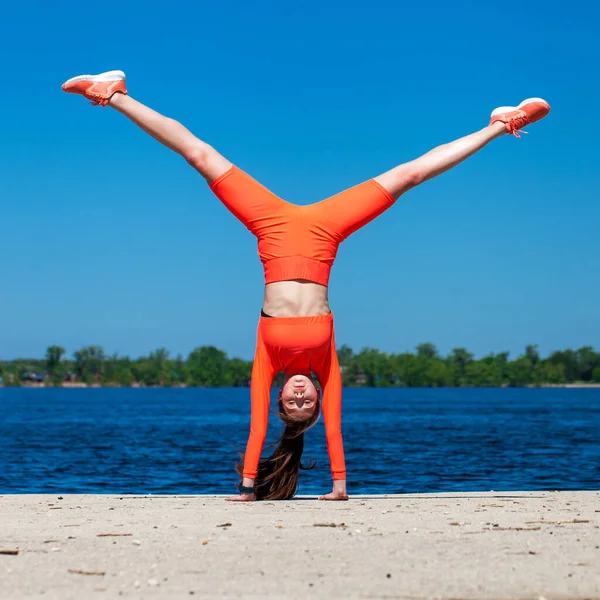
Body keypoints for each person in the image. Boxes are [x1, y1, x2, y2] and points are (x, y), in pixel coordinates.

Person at [62, 70, 550, 502]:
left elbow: (256, 429)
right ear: (316, 398)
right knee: (410, 174)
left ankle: (114, 94)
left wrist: (249, 487)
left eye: (291, 403)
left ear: (280, 399)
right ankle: (501, 125)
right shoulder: (325, 365)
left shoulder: (268, 364)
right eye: (306, 403)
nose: (299, 397)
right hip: (324, 235)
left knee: (199, 155)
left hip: (271, 229)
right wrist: (339, 486)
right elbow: (335, 429)